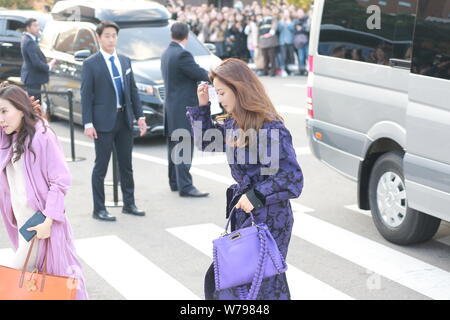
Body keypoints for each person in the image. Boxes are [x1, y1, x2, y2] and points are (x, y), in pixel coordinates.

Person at [186, 58, 304, 300]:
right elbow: (207, 142)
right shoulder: (234, 122)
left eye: (222, 92)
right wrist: (202, 106)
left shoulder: (269, 127)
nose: (220, 99)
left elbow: (292, 178)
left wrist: (257, 195)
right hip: (247, 215)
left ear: (239, 89)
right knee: (242, 284)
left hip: (271, 219)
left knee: (263, 284)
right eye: (217, 93)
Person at [0, 84, 88, 300]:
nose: (1, 119)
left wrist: (49, 220)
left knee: (13, 284)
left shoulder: (42, 135)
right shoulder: (8, 137)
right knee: (44, 285)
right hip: (23, 225)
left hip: (39, 224)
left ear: (21, 109)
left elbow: (60, 180)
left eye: (4, 111)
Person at [81, 21, 147, 222]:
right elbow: (86, 95)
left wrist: (140, 116)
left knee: (126, 165)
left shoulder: (125, 61)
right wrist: (88, 123)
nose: (111, 39)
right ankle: (98, 208)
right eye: (107, 35)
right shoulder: (91, 63)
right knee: (101, 166)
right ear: (99, 38)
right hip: (102, 123)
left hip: (124, 119)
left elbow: (133, 91)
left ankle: (129, 203)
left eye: (114, 36)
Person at [161, 22, 210, 198]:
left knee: (174, 146)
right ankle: (186, 186)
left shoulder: (167, 53)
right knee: (184, 147)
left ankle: (175, 182)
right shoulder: (183, 54)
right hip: (183, 109)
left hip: (171, 108)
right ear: (187, 36)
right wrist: (213, 75)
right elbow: (199, 73)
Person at [20, 18, 56, 106]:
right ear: (28, 28)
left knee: (34, 103)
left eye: (38, 25)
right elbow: (35, 62)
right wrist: (49, 66)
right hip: (33, 78)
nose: (38, 28)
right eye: (35, 26)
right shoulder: (29, 41)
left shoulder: (28, 39)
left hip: (32, 77)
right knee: (35, 105)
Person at [258, 6, 279, 77]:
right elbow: (259, 30)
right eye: (263, 10)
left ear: (270, 11)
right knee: (265, 58)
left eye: (266, 10)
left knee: (272, 57)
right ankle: (265, 71)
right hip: (263, 42)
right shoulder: (261, 20)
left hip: (270, 41)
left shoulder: (273, 18)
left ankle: (273, 72)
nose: (265, 11)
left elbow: (273, 29)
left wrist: (267, 35)